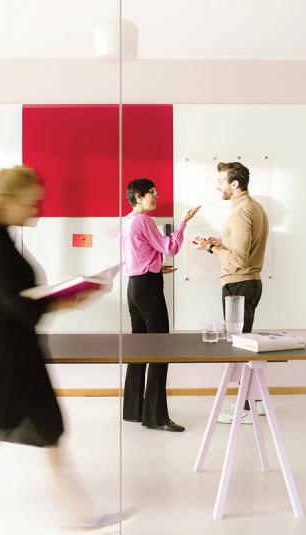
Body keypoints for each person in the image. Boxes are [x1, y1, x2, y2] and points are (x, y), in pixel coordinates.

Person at [0, 166, 135, 535]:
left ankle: (82, 514)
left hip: (23, 354)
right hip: (5, 359)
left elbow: (21, 302)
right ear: (7, 202)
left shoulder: (3, 242)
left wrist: (62, 297)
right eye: (31, 203)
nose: (38, 209)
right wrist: (64, 299)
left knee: (50, 430)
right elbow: (17, 307)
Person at [192, 161, 269, 425]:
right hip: (248, 283)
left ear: (234, 183)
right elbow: (240, 248)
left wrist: (210, 249)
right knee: (245, 343)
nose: (218, 186)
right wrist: (219, 242)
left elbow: (238, 259)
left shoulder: (240, 212)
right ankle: (253, 402)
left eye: (221, 181)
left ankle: (245, 410)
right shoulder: (254, 207)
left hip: (239, 285)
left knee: (240, 348)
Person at [121, 178, 200, 432]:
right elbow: (170, 247)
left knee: (139, 348)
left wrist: (155, 266)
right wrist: (183, 222)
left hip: (134, 287)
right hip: (148, 289)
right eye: (152, 193)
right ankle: (156, 416)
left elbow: (133, 257)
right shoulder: (144, 220)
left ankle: (133, 409)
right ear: (138, 197)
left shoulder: (126, 221)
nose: (156, 196)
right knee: (159, 348)